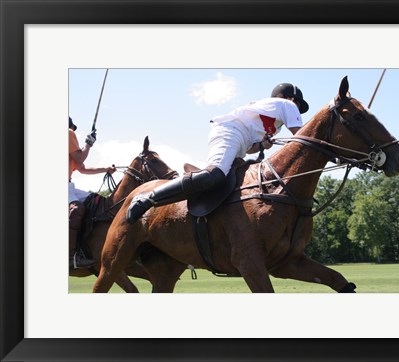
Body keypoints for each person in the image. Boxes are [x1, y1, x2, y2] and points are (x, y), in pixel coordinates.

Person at [126, 83, 309, 224]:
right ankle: (147, 199)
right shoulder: (286, 104)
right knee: (216, 174)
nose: (296, 108)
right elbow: (302, 137)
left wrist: (261, 145)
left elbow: (249, 148)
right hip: (232, 132)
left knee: (236, 183)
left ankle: (197, 174)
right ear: (283, 97)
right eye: (297, 103)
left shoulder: (272, 117)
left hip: (239, 140)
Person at [69, 117, 116, 269]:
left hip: (69, 186)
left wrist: (106, 168)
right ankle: (71, 256)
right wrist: (88, 144)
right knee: (77, 209)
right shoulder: (68, 133)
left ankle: (86, 246)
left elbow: (82, 168)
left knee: (95, 200)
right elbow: (81, 156)